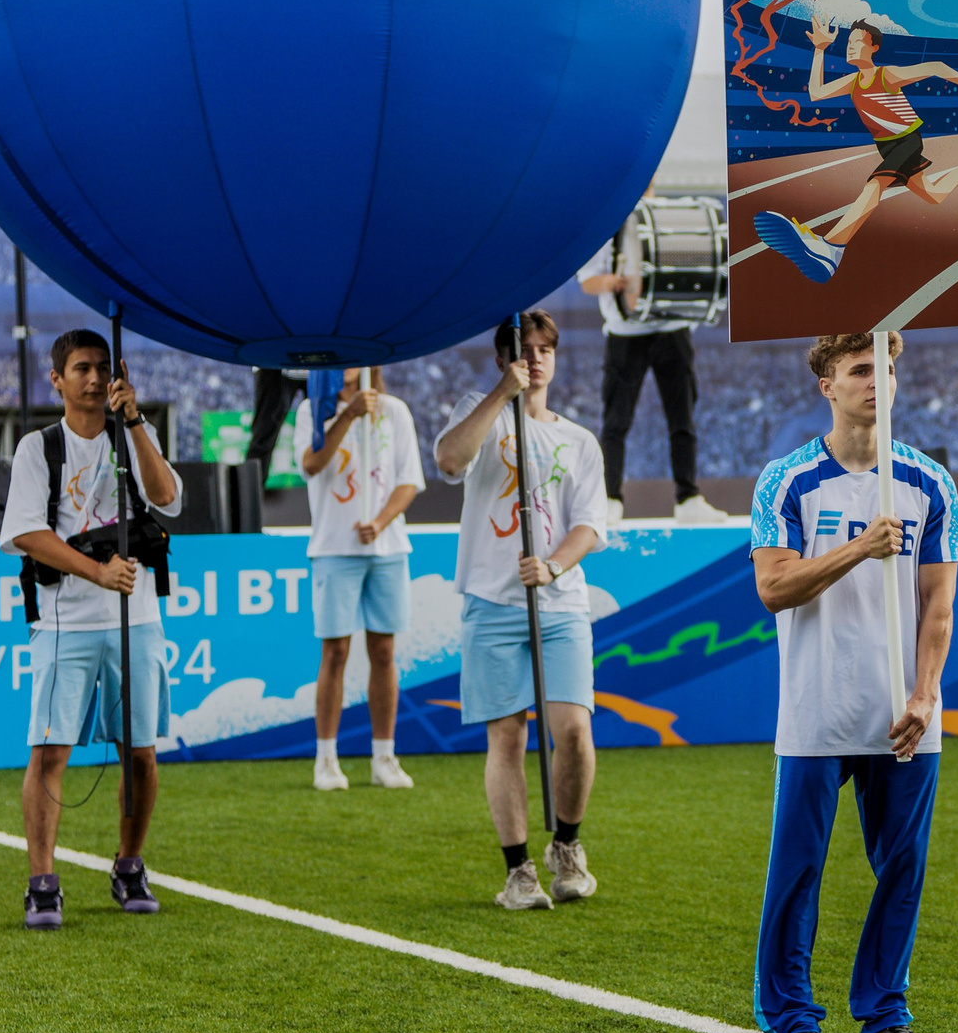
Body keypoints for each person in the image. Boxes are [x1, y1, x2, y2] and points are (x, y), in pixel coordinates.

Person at [749, 331, 958, 1033]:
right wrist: (858, 548)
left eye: (888, 369)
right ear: (827, 386)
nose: (878, 381)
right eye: (861, 369)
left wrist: (926, 694)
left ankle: (883, 1008)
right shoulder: (788, 480)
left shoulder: (931, 482)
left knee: (903, 865)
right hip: (816, 702)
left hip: (903, 709)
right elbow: (773, 587)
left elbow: (938, 606)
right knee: (799, 865)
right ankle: (791, 1014)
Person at [0, 329, 183, 928]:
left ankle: (130, 866)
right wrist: (97, 572)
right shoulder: (38, 448)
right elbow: (26, 533)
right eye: (81, 368)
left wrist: (133, 422)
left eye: (103, 367)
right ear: (56, 379)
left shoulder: (133, 433)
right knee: (50, 751)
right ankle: (42, 882)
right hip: (65, 621)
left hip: (139, 618)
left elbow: (167, 498)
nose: (94, 377)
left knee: (141, 752)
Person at [434, 310, 612, 910]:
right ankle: (518, 871)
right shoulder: (476, 410)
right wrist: (500, 395)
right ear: (502, 359)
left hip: (560, 604)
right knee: (506, 737)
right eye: (523, 349)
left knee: (575, 732)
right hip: (490, 601)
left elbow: (590, 526)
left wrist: (554, 565)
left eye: (544, 350)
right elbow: (451, 461)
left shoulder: (579, 440)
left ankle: (567, 845)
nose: (535, 359)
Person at [754, 17, 958, 284]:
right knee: (935, 194)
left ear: (874, 46)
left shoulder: (886, 75)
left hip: (907, 140)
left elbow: (935, 66)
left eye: (857, 41)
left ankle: (831, 248)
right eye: (848, 42)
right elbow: (816, 93)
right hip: (887, 147)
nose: (850, 47)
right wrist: (820, 49)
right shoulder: (853, 82)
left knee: (874, 186)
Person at [294, 367, 424, 791]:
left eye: (358, 360)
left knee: (384, 651)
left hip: (388, 550)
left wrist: (382, 522)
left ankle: (384, 756)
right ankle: (326, 759)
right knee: (335, 652)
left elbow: (409, 481)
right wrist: (346, 416)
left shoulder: (394, 412)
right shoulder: (313, 412)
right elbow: (311, 465)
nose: (350, 366)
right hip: (333, 548)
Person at [579, 230, 727, 524]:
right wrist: (613, 282)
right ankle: (610, 498)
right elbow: (587, 281)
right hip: (626, 332)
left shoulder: (670, 218)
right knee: (615, 423)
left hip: (673, 329)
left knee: (682, 419)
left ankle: (688, 498)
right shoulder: (609, 227)